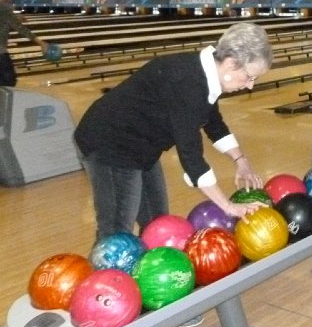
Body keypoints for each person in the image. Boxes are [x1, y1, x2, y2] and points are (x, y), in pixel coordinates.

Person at [74, 22, 273, 241]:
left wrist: (241, 161)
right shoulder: (187, 82)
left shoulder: (205, 75)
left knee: (157, 223)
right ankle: (107, 274)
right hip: (109, 143)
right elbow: (191, 157)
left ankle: (148, 271)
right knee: (116, 232)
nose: (250, 85)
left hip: (141, 145)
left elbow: (213, 122)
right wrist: (228, 207)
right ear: (231, 63)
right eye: (250, 76)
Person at [0, 0, 48, 86]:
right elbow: (20, 29)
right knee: (9, 81)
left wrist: (15, 17)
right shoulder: (4, 8)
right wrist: (41, 43)